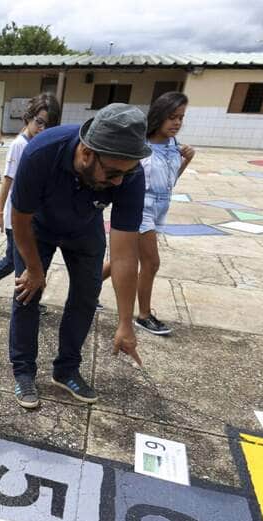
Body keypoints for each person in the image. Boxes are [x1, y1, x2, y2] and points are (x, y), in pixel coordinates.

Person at [8, 103, 148, 409]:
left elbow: (125, 255)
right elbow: (19, 220)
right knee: (27, 293)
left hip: (85, 228)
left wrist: (126, 322)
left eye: (125, 174)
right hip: (37, 228)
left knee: (87, 295)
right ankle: (23, 372)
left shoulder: (129, 174)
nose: (118, 183)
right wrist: (34, 269)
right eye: (112, 174)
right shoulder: (42, 152)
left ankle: (66, 369)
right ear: (86, 153)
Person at [100, 92, 194, 337]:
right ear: (159, 116)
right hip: (140, 208)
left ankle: (83, 290)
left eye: (181, 118)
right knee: (151, 262)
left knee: (122, 260)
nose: (176, 123)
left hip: (160, 207)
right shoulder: (140, 147)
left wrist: (186, 162)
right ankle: (143, 315)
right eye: (172, 117)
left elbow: (169, 181)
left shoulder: (175, 146)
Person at [0, 93, 61, 315]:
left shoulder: (39, 143)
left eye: (49, 125)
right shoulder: (20, 145)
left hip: (30, 216)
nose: (43, 128)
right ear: (29, 118)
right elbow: (8, 180)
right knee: (24, 264)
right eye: (39, 122)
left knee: (12, 261)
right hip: (16, 218)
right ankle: (26, 303)